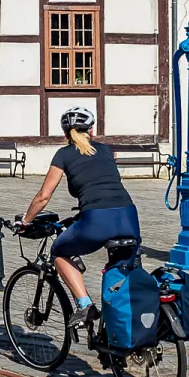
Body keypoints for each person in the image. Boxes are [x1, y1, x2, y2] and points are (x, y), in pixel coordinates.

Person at [19, 106, 140, 331]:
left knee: (59, 252)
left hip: (97, 221)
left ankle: (85, 306)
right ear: (91, 130)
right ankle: (118, 335)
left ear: (65, 134)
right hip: (129, 217)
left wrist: (25, 221)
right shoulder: (106, 150)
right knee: (121, 274)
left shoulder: (63, 154)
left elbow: (43, 196)